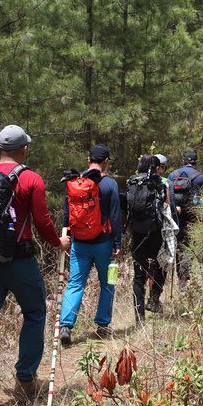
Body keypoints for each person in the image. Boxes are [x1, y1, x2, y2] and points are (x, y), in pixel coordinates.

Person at [0, 125, 71, 405]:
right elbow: (42, 222)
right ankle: (25, 378)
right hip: (20, 260)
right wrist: (58, 243)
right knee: (36, 312)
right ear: (24, 149)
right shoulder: (31, 179)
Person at [59, 144, 122, 345]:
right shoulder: (110, 184)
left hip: (79, 243)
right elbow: (115, 216)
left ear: (88, 160)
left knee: (75, 283)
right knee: (107, 283)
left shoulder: (75, 182)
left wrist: (66, 237)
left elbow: (67, 213)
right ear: (106, 162)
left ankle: (66, 325)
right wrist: (118, 242)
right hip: (103, 242)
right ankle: (102, 325)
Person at [126, 154, 168, 323]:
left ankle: (139, 316)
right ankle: (154, 299)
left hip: (136, 233)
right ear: (156, 167)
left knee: (138, 275)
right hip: (155, 233)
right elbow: (166, 207)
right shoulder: (159, 183)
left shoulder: (131, 182)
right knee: (161, 265)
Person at [167, 151, 203, 288]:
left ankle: (179, 275)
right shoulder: (200, 177)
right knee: (188, 245)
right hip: (192, 216)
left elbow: (167, 194)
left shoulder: (173, 175)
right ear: (196, 162)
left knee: (177, 245)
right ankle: (184, 278)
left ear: (183, 160)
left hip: (175, 215)